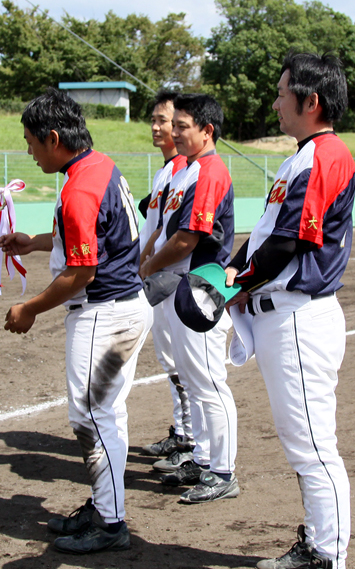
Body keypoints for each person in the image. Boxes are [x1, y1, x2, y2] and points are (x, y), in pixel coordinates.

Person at [0, 88, 152, 555]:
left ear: (53, 137)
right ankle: (105, 506)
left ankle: (109, 523)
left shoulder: (80, 185)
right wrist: (34, 243)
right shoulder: (96, 166)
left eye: (30, 141)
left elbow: (82, 270)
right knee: (104, 416)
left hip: (104, 313)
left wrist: (29, 309)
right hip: (122, 307)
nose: (28, 150)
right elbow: (87, 237)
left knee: (92, 418)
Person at [224, 52, 355, 569]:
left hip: (300, 316)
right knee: (304, 443)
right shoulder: (301, 157)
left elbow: (290, 243)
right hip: (283, 315)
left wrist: (237, 282)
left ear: (311, 101)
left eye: (283, 93)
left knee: (313, 447)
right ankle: (321, 546)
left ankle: (327, 555)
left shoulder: (324, 155)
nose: (276, 102)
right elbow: (265, 236)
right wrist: (225, 274)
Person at [139, 93, 238, 504]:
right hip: (182, 291)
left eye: (182, 126)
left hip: (200, 291)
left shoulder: (210, 172)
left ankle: (223, 471)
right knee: (196, 382)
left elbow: (186, 239)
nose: (175, 133)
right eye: (173, 125)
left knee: (210, 384)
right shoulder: (189, 171)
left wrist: (146, 268)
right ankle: (201, 457)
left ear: (206, 131)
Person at [138, 90, 195, 471]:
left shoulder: (183, 169)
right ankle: (182, 431)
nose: (159, 128)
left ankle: (191, 438)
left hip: (171, 279)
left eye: (167, 121)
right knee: (169, 360)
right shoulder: (166, 170)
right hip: (156, 274)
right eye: (156, 120)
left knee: (181, 363)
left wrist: (144, 263)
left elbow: (169, 233)